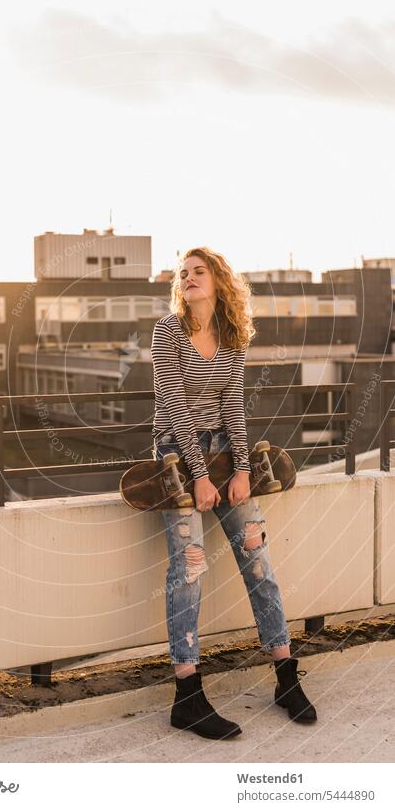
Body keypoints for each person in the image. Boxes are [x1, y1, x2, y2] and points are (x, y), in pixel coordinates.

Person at [151, 246, 316, 740]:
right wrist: (200, 475)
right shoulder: (167, 331)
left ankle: (286, 678)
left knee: (257, 556)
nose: (189, 278)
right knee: (190, 566)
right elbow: (175, 408)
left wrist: (241, 468)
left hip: (224, 453)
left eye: (199, 272)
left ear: (219, 282)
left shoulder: (231, 336)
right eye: (184, 273)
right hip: (177, 457)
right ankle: (188, 696)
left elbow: (234, 408)